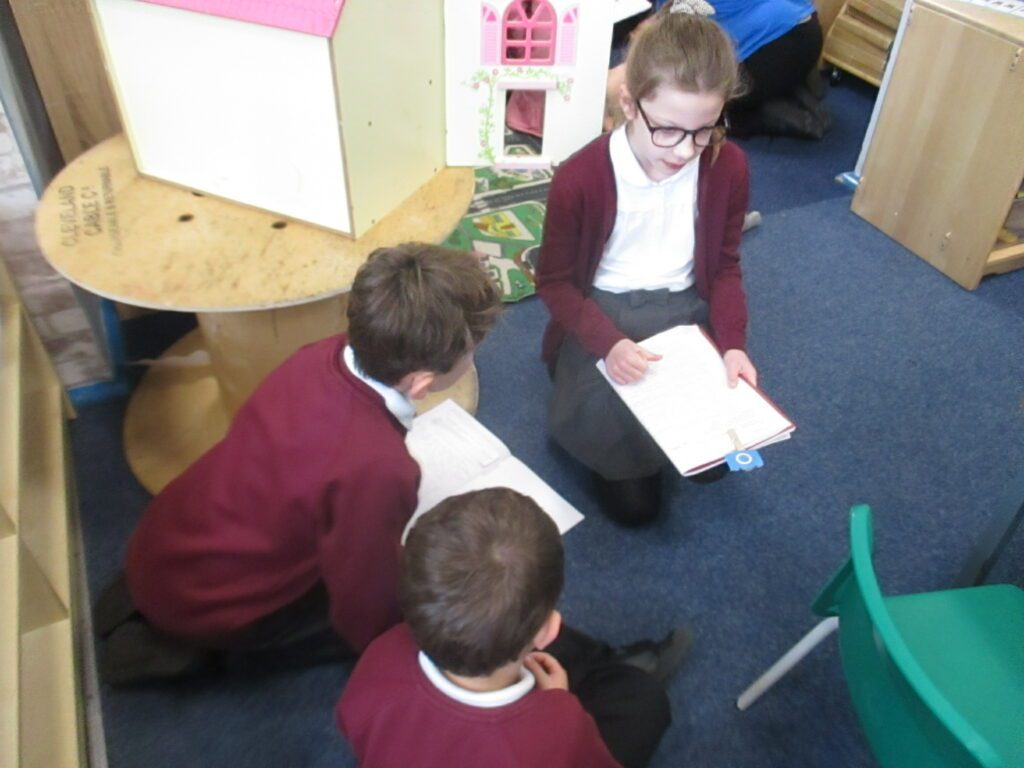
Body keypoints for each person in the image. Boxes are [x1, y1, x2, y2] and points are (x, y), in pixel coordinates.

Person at [94, 243, 502, 685]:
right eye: (470, 353)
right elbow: (365, 598)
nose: (472, 359)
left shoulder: (319, 355)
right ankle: (194, 657)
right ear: (421, 382)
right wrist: (397, 636)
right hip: (209, 606)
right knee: (417, 603)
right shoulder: (379, 468)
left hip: (163, 546)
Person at [537, 6, 757, 527]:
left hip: (685, 313)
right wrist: (608, 343)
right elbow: (555, 283)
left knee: (713, 466)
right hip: (603, 314)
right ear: (628, 104)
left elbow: (725, 268)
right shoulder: (579, 178)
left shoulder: (728, 166)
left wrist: (733, 345)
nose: (684, 151)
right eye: (668, 130)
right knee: (636, 511)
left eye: (704, 130)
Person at [338, 488, 691, 768]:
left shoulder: (380, 654)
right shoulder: (560, 731)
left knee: (520, 619)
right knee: (645, 703)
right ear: (548, 630)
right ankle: (619, 671)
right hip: (539, 728)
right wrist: (558, 705)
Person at [704, 0, 828, 139]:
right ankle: (791, 88)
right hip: (805, 22)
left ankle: (765, 116)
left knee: (700, 108)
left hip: (770, 48)